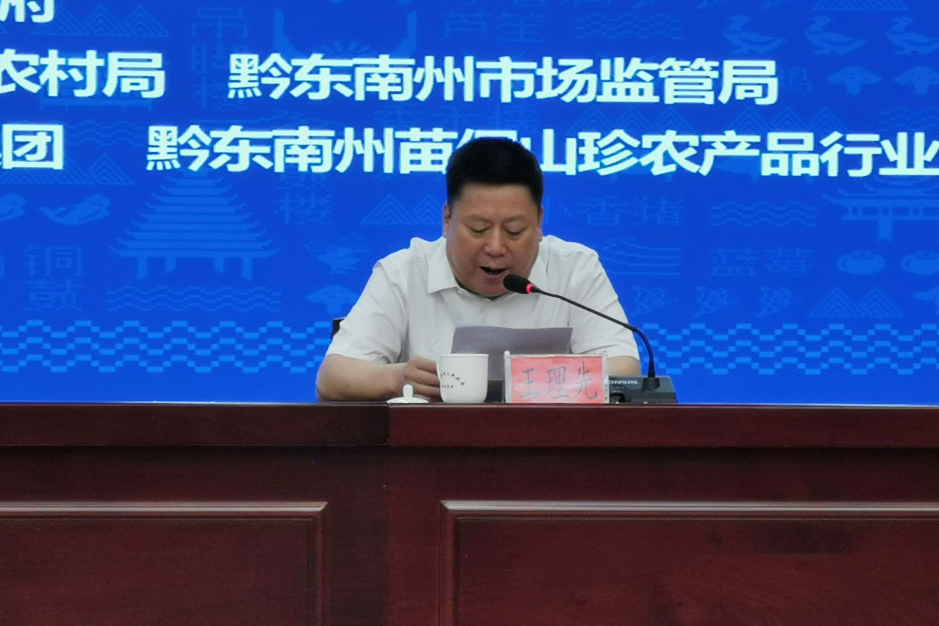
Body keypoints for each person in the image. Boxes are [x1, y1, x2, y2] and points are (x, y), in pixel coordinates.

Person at [316, 137, 641, 401]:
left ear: (539, 222)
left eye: (514, 231)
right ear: (447, 220)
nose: (496, 247)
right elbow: (333, 377)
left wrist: (534, 379)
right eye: (478, 229)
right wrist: (398, 378)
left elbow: (625, 369)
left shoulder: (575, 269)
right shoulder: (403, 272)